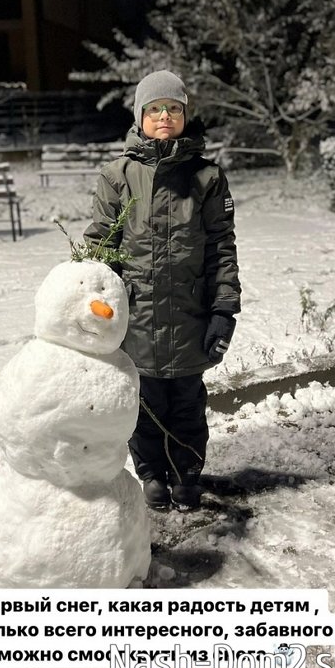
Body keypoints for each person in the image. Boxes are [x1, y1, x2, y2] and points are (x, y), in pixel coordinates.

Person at [83, 70, 241, 510]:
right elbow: (102, 246)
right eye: (155, 109)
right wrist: (97, 309)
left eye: (173, 108)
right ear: (141, 116)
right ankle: (152, 473)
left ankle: (187, 474)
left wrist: (224, 309)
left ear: (186, 115)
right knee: (146, 404)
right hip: (138, 320)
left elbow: (221, 249)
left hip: (192, 315)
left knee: (188, 404)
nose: (165, 116)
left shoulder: (207, 178)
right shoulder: (118, 176)